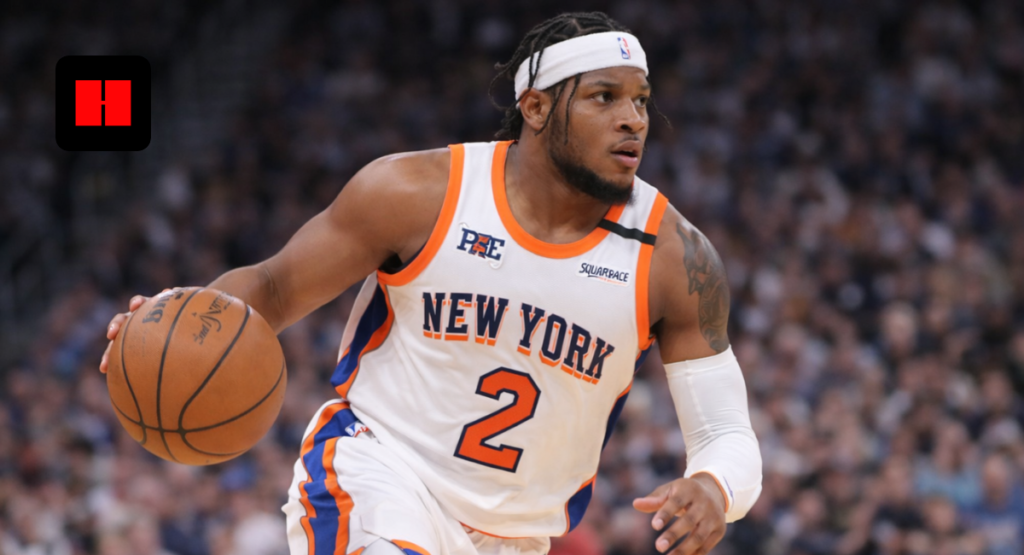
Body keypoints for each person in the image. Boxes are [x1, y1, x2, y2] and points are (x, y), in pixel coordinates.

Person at [99, 12, 761, 555]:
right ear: (535, 107)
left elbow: (727, 434)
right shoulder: (418, 193)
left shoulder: (675, 258)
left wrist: (714, 486)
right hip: (378, 475)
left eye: (641, 100)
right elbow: (272, 288)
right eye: (604, 97)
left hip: (517, 539)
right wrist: (173, 323)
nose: (634, 119)